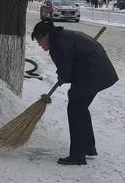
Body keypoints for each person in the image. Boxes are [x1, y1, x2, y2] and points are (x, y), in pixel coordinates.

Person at [31, 20, 119, 165]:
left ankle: (78, 155)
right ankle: (88, 147)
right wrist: (63, 76)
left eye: (40, 40)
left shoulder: (59, 45)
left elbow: (66, 71)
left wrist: (62, 77)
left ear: (46, 35)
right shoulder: (61, 38)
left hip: (93, 72)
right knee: (80, 108)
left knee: (75, 109)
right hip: (95, 70)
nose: (40, 45)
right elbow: (69, 67)